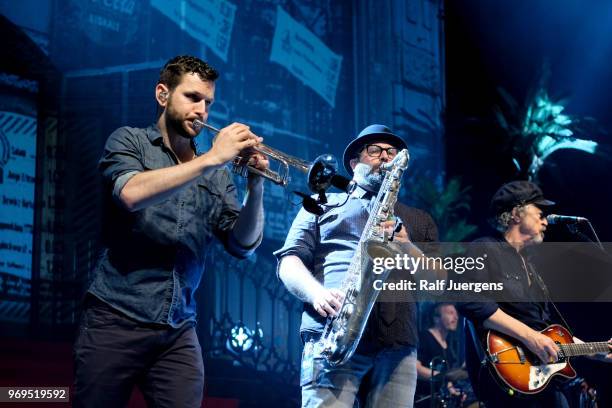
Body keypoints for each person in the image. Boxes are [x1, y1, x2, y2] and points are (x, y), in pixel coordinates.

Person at [73, 55, 267, 407]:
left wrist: (256, 187)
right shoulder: (129, 141)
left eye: (208, 103)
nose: (202, 111)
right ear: (163, 95)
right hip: (115, 316)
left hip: (178, 328)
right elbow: (131, 194)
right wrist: (210, 159)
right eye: (192, 98)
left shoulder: (219, 175)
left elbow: (243, 245)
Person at [274, 124, 441, 408]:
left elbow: (438, 282)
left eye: (392, 152)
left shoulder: (418, 219)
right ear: (354, 163)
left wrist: (407, 247)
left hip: (397, 346)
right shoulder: (321, 204)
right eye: (374, 151)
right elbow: (289, 262)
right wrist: (317, 294)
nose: (385, 157)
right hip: (332, 333)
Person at [456, 181, 612, 408]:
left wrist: (597, 351)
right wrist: (531, 337)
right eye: (539, 212)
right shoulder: (484, 249)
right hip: (507, 375)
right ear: (516, 214)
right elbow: (469, 299)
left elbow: (549, 330)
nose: (545, 220)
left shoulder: (531, 266)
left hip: (542, 380)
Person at [415, 303, 477, 408]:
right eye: (450, 313)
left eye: (456, 314)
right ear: (436, 318)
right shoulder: (424, 337)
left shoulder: (449, 346)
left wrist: (452, 390)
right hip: (424, 400)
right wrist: (442, 377)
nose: (456, 317)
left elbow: (449, 377)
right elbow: (416, 368)